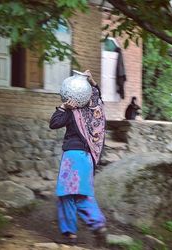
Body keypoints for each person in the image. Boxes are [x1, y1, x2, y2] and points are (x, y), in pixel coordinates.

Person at [49, 70, 106, 246]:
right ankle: (98, 225)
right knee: (83, 195)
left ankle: (69, 235)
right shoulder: (95, 110)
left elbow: (54, 123)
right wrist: (92, 81)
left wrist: (64, 107)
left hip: (72, 158)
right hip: (87, 159)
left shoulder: (71, 111)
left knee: (66, 195)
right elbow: (97, 94)